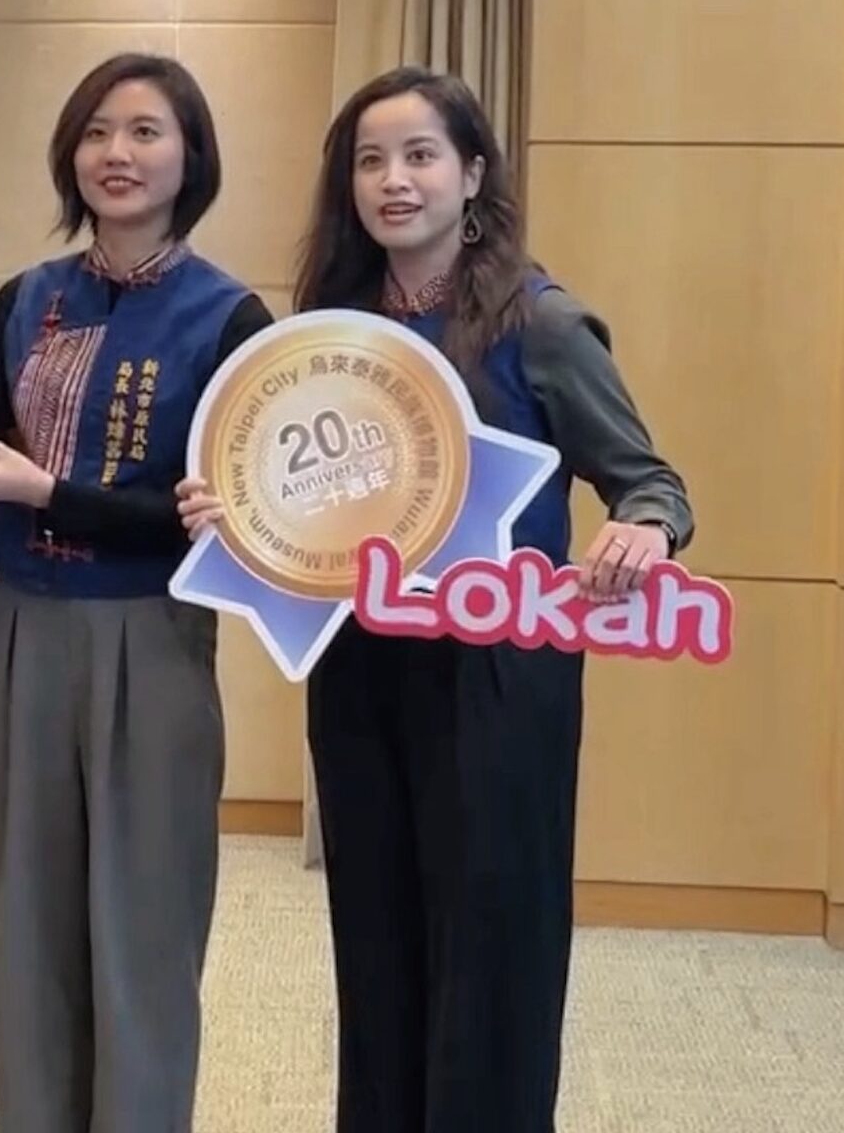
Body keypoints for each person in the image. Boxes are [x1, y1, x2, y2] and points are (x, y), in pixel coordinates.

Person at [179, 65, 694, 1132]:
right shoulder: (328, 330)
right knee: (375, 940)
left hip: (498, 681)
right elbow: (290, 495)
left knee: (491, 951)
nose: (394, 181)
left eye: (420, 156)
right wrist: (227, 506)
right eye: (370, 161)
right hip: (360, 669)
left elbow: (650, 482)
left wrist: (645, 527)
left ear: (471, 174)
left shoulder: (541, 323)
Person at [0, 53, 274, 1133]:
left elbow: (218, 516)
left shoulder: (231, 318)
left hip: (152, 635)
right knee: (27, 916)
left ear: (191, 158)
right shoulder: (30, 297)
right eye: (96, 133)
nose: (118, 154)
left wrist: (51, 494)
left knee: (144, 922)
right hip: (18, 630)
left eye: (146, 132)